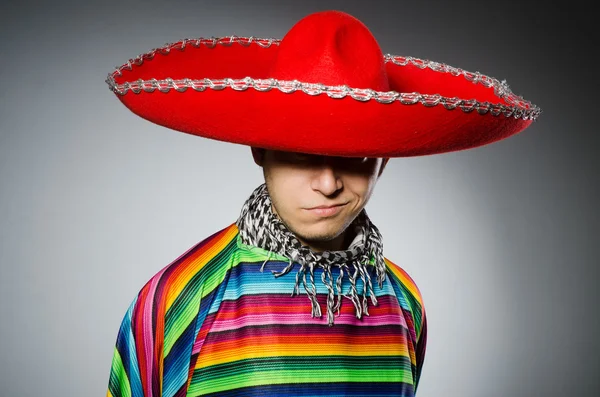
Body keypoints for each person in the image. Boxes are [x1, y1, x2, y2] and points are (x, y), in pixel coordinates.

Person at [104, 9, 539, 397]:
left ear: (383, 161)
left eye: (354, 157)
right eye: (300, 153)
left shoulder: (403, 301)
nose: (328, 184)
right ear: (260, 149)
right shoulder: (179, 298)